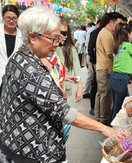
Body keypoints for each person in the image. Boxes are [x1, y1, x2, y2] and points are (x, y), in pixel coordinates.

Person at [0, 7, 115, 163]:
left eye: (59, 38)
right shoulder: (30, 70)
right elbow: (64, 112)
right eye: (53, 39)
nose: (56, 44)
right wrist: (104, 128)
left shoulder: (20, 57)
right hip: (33, 153)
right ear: (33, 37)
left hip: (16, 145)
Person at [94, 12, 124, 125]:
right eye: (118, 24)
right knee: (105, 95)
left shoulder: (106, 32)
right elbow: (110, 53)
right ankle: (103, 120)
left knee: (101, 94)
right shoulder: (107, 34)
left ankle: (98, 117)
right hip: (105, 68)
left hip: (102, 67)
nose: (119, 27)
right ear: (111, 23)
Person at [87, 14, 111, 116]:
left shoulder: (103, 32)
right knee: (96, 86)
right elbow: (90, 48)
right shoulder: (97, 33)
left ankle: (97, 112)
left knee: (99, 90)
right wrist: (94, 62)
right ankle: (94, 109)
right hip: (98, 63)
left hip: (100, 64)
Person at [56, 17, 83, 103]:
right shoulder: (48, 48)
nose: (65, 36)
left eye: (66, 33)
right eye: (62, 33)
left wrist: (80, 87)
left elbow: (77, 69)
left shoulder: (70, 48)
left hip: (65, 88)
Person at [0, 5, 22, 94]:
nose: (11, 21)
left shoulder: (22, 36)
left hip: (14, 76)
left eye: (14, 18)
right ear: (3, 18)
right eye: (8, 18)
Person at [83, 21, 98, 98]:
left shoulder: (91, 30)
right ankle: (85, 91)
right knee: (90, 74)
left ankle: (86, 90)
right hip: (90, 55)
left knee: (90, 73)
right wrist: (93, 60)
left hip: (89, 54)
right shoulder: (93, 31)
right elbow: (89, 45)